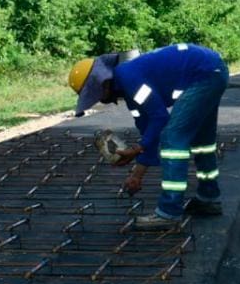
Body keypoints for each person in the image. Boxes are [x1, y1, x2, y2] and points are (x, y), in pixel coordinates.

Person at [68, 43, 230, 229]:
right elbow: (148, 132)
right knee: (203, 141)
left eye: (95, 95)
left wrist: (137, 149)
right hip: (212, 71)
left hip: (205, 74)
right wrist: (137, 175)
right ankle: (209, 198)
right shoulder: (131, 91)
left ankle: (169, 212)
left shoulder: (128, 77)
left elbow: (160, 117)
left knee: (172, 138)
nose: (100, 100)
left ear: (102, 83)